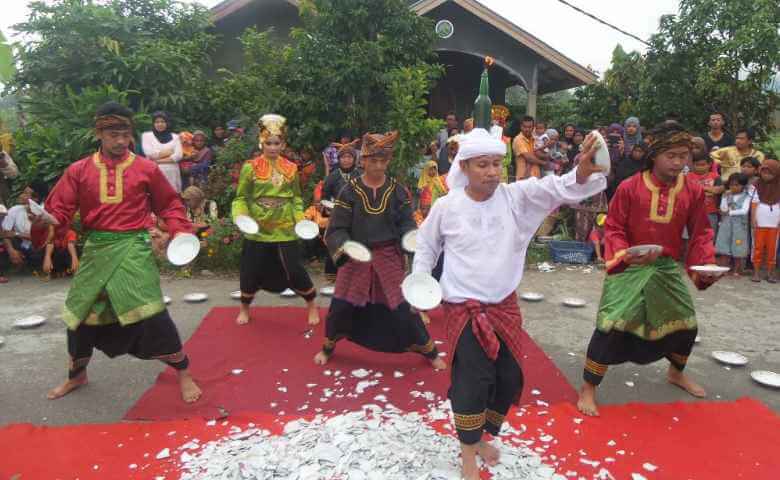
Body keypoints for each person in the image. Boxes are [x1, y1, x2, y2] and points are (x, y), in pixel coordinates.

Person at [413, 121, 606, 480]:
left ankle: (480, 437)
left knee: (508, 377)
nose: (490, 172)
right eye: (481, 165)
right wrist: (421, 282)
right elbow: (426, 246)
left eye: (494, 165)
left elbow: (555, 187)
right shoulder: (447, 206)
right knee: (472, 381)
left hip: (503, 306)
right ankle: (468, 452)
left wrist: (580, 172)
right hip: (464, 309)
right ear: (465, 167)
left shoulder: (514, 196)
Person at [35, 102, 201, 403]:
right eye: (113, 134)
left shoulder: (146, 168)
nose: (121, 140)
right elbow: (58, 210)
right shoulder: (79, 170)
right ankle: (77, 375)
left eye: (125, 134)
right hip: (98, 249)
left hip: (133, 248)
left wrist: (180, 232)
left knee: (151, 311)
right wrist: (45, 221)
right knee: (81, 313)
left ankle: (184, 373)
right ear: (99, 133)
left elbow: (169, 205)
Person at [577, 121, 721, 417]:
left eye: (684, 156)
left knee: (686, 323)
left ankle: (675, 373)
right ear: (654, 155)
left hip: (666, 267)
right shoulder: (631, 187)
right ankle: (588, 388)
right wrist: (625, 255)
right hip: (629, 266)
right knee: (612, 323)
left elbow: (701, 232)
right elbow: (614, 227)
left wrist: (704, 265)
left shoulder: (692, 190)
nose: (679, 162)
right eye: (672, 156)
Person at [314, 131, 445, 369]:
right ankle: (328, 347)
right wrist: (348, 248)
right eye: (372, 160)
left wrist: (411, 239)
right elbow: (337, 228)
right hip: (356, 256)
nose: (377, 165)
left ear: (388, 161)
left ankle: (430, 352)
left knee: (402, 305)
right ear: (362, 160)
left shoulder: (398, 191)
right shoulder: (349, 190)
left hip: (388, 257)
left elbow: (406, 222)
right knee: (341, 306)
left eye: (382, 160)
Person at [232, 114, 320, 327]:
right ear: (261, 142)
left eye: (276, 143)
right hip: (257, 228)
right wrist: (241, 216)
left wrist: (300, 219)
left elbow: (297, 198)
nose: (272, 147)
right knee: (250, 268)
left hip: (285, 228)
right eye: (268, 143)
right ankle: (244, 307)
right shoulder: (250, 167)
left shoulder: (291, 168)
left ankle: (311, 305)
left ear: (283, 144)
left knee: (294, 267)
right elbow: (241, 198)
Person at [750, 158, 780, 283]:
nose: (766, 175)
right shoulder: (756, 184)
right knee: (757, 247)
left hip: (775, 222)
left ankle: (770, 273)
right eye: (764, 172)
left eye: (770, 173)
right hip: (760, 221)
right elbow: (754, 203)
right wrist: (753, 219)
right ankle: (756, 272)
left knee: (772, 249)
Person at [715, 173, 751, 276]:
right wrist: (725, 199)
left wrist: (729, 212)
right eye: (731, 185)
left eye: (736, 185)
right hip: (726, 224)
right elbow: (723, 209)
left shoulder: (747, 196)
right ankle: (724, 269)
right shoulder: (726, 195)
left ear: (743, 185)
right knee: (724, 244)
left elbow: (744, 211)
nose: (733, 187)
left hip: (740, 225)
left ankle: (736, 270)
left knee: (738, 246)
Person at [2, 188, 44, 272]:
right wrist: (11, 251)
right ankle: (18, 262)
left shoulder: (43, 211)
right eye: (22, 193)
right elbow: (5, 233)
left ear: (35, 199)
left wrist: (17, 234)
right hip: (22, 245)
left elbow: (40, 238)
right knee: (8, 240)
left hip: (39, 248)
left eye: (26, 194)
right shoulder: (15, 210)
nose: (21, 196)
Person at [142, 111, 183, 193]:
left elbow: (178, 156)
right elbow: (149, 153)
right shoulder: (146, 136)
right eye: (157, 122)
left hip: (172, 174)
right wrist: (169, 152)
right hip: (154, 172)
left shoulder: (175, 137)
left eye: (162, 122)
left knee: (171, 199)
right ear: (153, 123)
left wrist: (156, 161)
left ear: (167, 123)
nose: (160, 124)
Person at [687, 155, 722, 233]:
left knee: (710, 234)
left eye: (703, 165)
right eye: (697, 165)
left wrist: (698, 190)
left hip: (710, 211)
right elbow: (688, 193)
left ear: (709, 164)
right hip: (691, 212)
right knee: (691, 235)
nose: (700, 167)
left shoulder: (715, 176)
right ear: (692, 165)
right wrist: (708, 191)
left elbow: (718, 190)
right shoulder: (687, 177)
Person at [512, 116, 543, 180]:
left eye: (529, 127)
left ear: (533, 127)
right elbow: (529, 158)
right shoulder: (518, 139)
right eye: (525, 127)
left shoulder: (535, 138)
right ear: (521, 127)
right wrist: (544, 163)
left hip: (536, 176)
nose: (527, 129)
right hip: (523, 177)